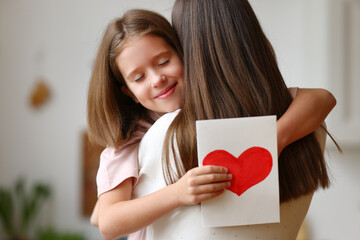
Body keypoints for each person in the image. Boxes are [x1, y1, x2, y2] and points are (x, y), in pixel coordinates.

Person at [87, 8, 336, 240]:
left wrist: (271, 140)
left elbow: (322, 98)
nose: (157, 79)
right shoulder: (131, 141)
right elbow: (107, 222)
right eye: (139, 77)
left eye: (163, 62)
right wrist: (177, 193)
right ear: (128, 92)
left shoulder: (217, 108)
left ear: (186, 55)